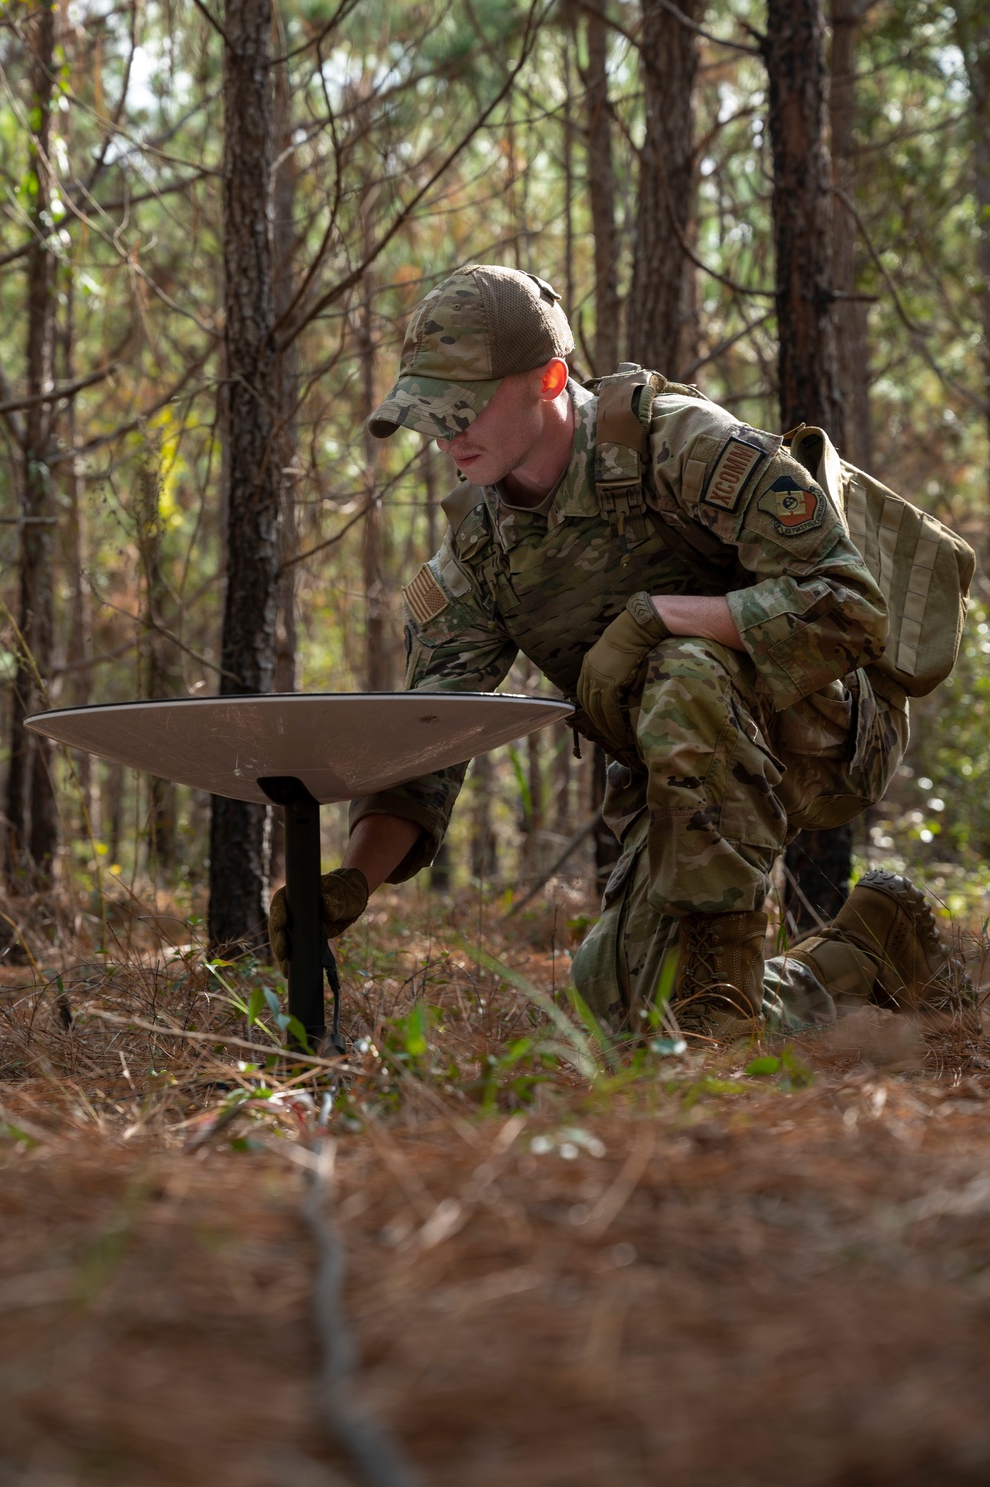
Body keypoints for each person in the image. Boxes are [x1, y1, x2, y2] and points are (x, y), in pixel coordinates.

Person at [270, 264, 958, 1039]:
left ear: (549, 379)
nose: (447, 434)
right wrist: (350, 882)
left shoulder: (679, 446)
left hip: (831, 727)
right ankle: (866, 951)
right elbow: (432, 743)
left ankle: (719, 1022)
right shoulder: (478, 559)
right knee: (615, 1018)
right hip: (680, 778)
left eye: (464, 408)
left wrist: (658, 616)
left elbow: (851, 607)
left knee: (682, 666)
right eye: (432, 413)